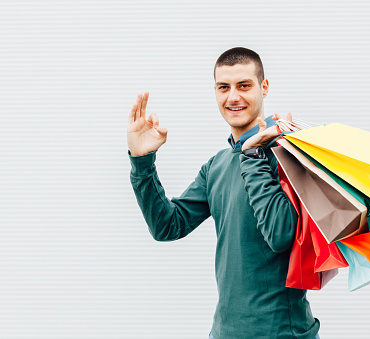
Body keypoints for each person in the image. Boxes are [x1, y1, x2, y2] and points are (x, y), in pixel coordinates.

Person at [127, 47, 320, 339]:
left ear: (264, 87)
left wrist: (253, 154)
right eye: (223, 87)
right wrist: (142, 163)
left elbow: (281, 236)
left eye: (244, 86)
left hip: (282, 334)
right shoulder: (217, 166)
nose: (233, 97)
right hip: (223, 333)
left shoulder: (289, 155)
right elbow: (167, 226)